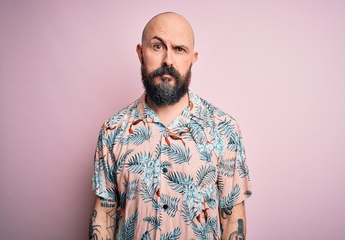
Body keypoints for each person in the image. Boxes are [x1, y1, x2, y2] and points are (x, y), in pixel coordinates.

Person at [89, 12, 252, 240]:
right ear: (140, 53)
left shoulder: (224, 129)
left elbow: (232, 217)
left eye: (179, 49)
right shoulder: (113, 130)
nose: (168, 60)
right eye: (157, 46)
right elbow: (105, 214)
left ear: (193, 58)